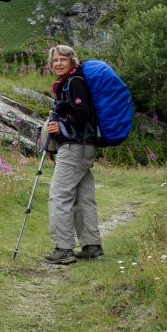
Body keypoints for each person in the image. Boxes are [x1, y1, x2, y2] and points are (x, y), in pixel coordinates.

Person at [44, 44, 104, 264]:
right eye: (55, 61)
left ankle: (63, 248)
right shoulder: (73, 82)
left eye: (62, 59)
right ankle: (91, 246)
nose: (58, 64)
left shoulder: (74, 82)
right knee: (83, 196)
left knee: (59, 195)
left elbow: (83, 113)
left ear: (72, 61)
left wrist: (61, 126)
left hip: (74, 147)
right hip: (84, 146)